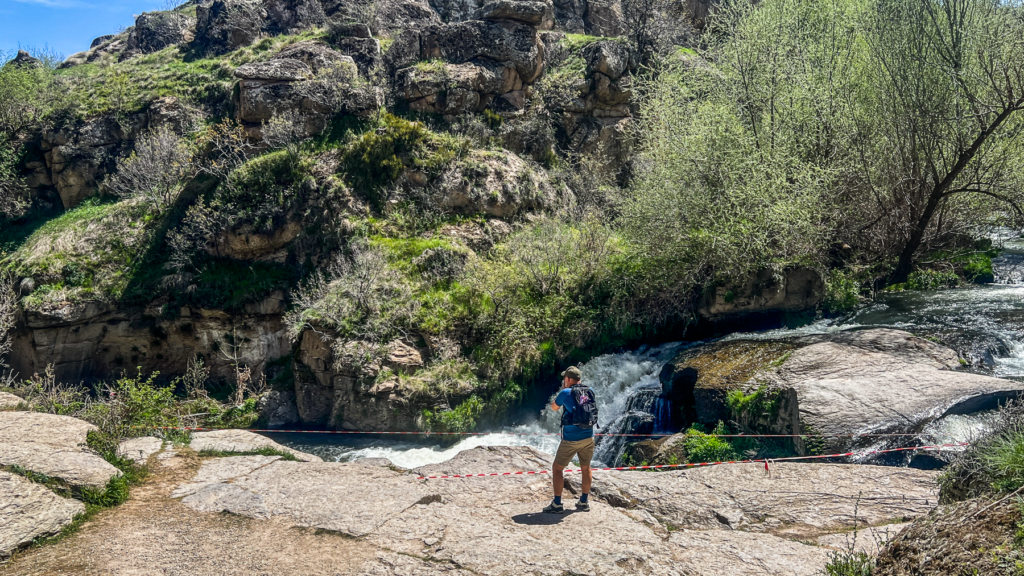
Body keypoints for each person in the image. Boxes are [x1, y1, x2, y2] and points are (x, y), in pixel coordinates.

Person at [543, 366, 597, 513]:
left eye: (564, 379)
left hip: (571, 439)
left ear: (568, 379)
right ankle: (584, 502)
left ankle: (557, 504)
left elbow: (554, 407)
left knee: (557, 468)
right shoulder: (589, 391)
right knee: (586, 468)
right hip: (589, 437)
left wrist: (562, 393)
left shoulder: (566, 392)